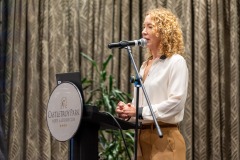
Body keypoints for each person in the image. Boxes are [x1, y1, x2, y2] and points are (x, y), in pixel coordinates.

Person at [116, 7, 188, 160]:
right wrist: (128, 112)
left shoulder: (175, 61)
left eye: (150, 26)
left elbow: (176, 103)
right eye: (143, 26)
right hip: (142, 139)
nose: (143, 31)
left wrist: (139, 112)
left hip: (165, 138)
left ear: (164, 31)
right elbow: (139, 106)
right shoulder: (144, 66)